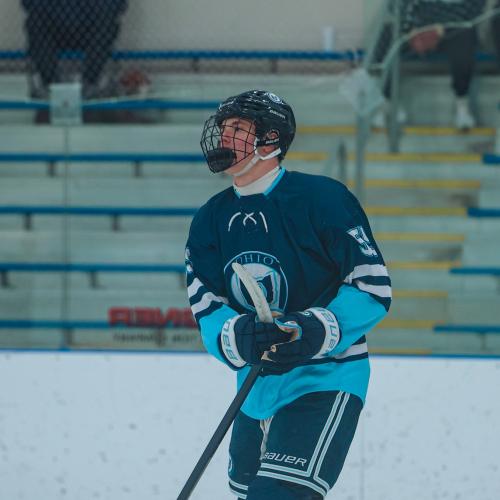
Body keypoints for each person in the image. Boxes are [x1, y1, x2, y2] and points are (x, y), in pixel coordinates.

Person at [185, 90, 392, 499]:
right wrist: (238, 335)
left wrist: (312, 328)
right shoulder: (209, 219)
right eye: (224, 128)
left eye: (238, 128)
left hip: (325, 377)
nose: (224, 137)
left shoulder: (323, 200)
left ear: (271, 140)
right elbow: (207, 306)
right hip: (254, 389)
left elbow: (372, 286)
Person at [372, 0, 486, 130]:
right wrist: (412, 27)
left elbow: (475, 10)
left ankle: (462, 105)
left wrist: (441, 28)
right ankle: (388, 102)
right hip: (417, 27)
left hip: (452, 28)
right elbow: (395, 6)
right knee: (388, 34)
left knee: (465, 38)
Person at [22, 0, 128, 99]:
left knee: (108, 23)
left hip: (91, 29)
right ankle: (52, 85)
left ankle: (90, 83)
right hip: (54, 29)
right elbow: (28, 4)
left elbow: (118, 5)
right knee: (34, 22)